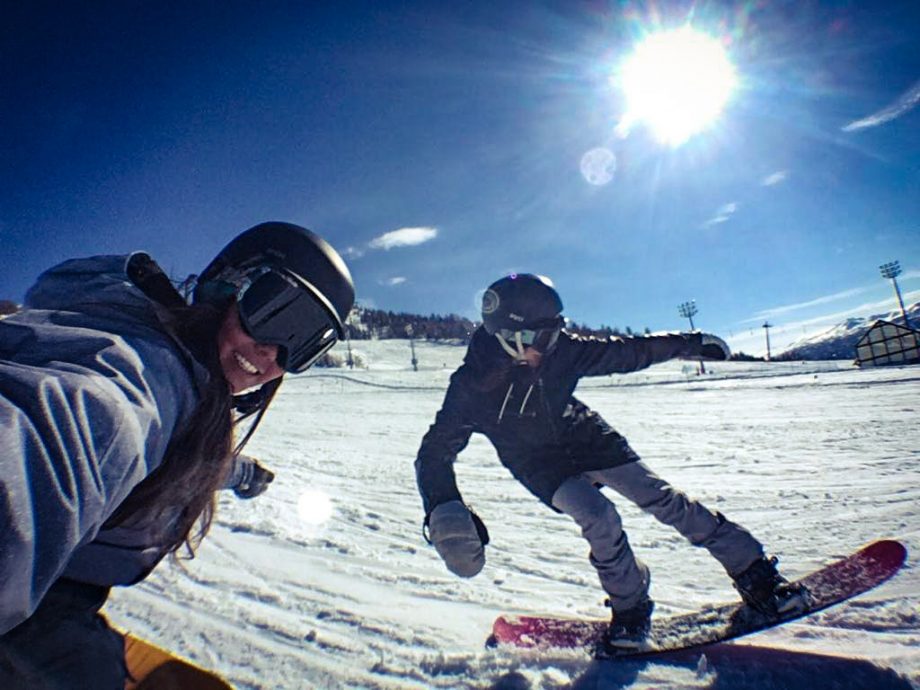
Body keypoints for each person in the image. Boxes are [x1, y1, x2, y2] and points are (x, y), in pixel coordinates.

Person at [0, 221, 354, 687]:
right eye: (277, 314)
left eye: (304, 345)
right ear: (228, 284)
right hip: (34, 611)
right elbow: (80, 425)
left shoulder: (189, 385)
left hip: (50, 593)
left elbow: (175, 452)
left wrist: (242, 474)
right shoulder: (139, 373)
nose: (272, 353)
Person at [414, 273, 808, 653]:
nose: (553, 345)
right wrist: (443, 506)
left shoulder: (560, 350)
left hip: (587, 436)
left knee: (661, 498)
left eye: (557, 333)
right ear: (509, 338)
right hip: (538, 464)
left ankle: (757, 576)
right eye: (544, 337)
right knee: (597, 516)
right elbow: (435, 451)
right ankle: (631, 608)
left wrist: (687, 344)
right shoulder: (470, 386)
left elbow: (626, 351)